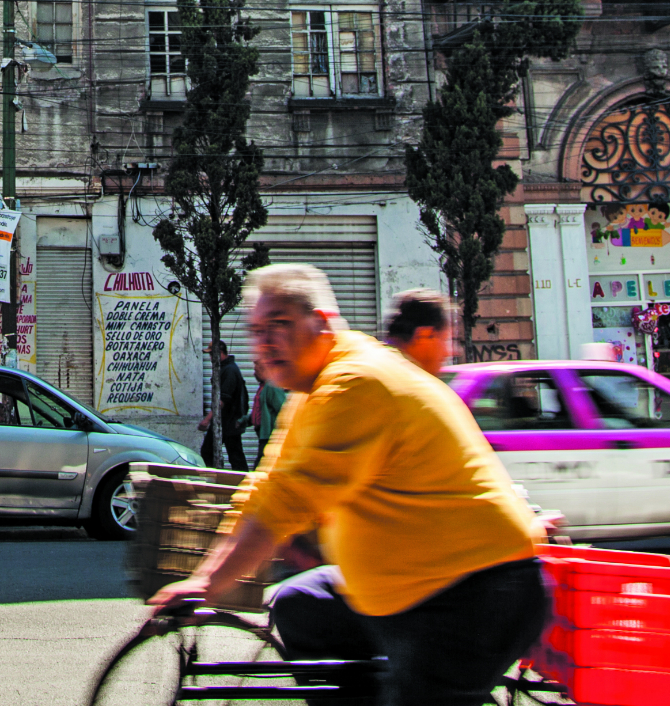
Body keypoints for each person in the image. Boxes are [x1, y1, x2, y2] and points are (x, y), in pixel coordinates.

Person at [149, 264, 547, 706]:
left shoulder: (354, 383)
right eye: (257, 330)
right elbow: (268, 487)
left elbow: (287, 504)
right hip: (405, 582)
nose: (265, 344)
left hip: (476, 588)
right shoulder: (309, 394)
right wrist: (208, 562)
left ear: (320, 322)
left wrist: (206, 583)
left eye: (279, 325)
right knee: (300, 602)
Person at [382, 288, 457, 378]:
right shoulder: (406, 386)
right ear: (423, 336)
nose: (448, 352)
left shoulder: (374, 367)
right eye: (444, 339)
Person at [206, 339, 250, 472]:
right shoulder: (225, 368)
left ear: (218, 353)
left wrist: (207, 419)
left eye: (211, 354)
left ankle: (240, 483)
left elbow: (222, 400)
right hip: (227, 421)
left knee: (209, 452)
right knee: (235, 455)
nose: (210, 358)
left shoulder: (229, 370)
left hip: (228, 421)